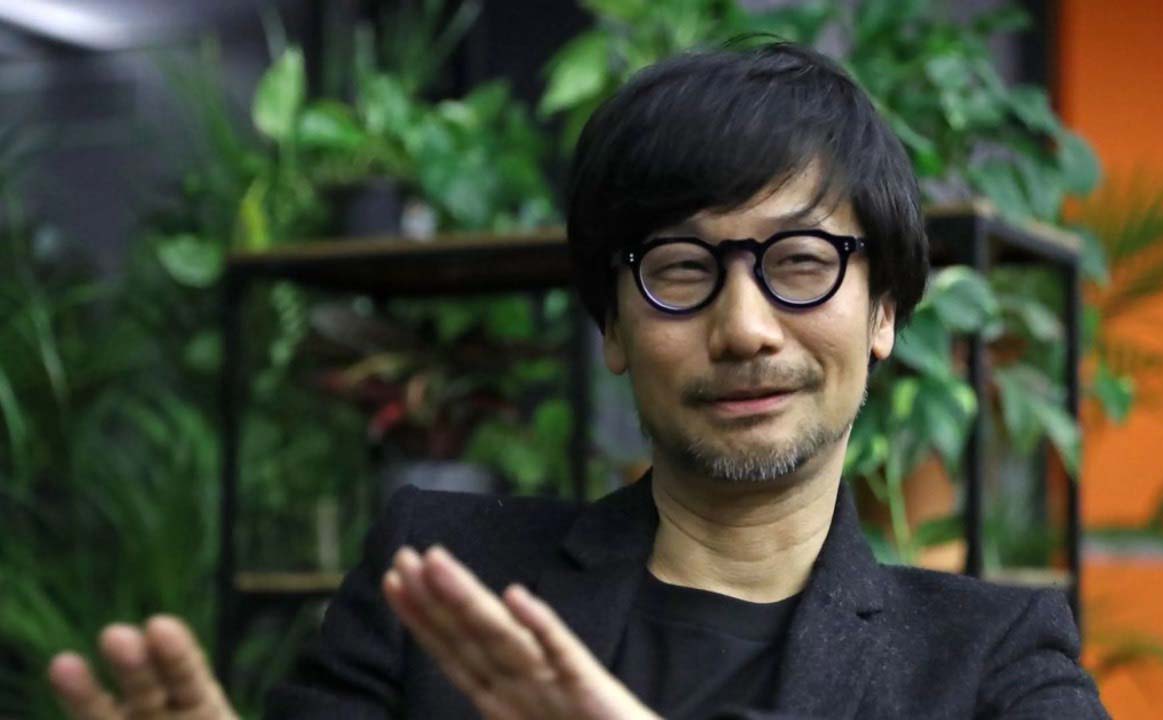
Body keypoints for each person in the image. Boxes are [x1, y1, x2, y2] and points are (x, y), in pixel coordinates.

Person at [47, 42, 1109, 719]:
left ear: (882, 313)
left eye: (799, 263)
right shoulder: (443, 581)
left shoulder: (991, 661)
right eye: (680, 270)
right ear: (612, 326)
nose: (745, 329)